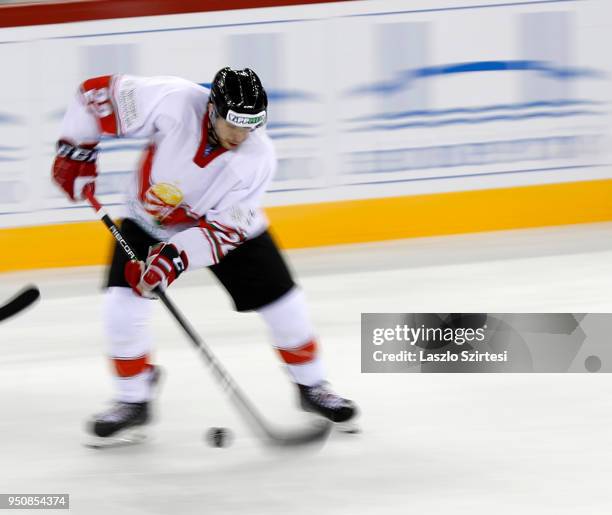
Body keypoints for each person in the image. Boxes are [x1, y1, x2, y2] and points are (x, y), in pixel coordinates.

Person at [51, 67, 357, 441]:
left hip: (223, 227)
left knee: (285, 305)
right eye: (233, 124)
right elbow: (93, 95)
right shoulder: (174, 99)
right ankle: (134, 399)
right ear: (212, 108)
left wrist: (173, 260)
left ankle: (312, 387)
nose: (240, 135)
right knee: (120, 306)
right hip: (149, 219)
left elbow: (224, 232)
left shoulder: (258, 157)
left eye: (250, 126)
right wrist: (76, 150)